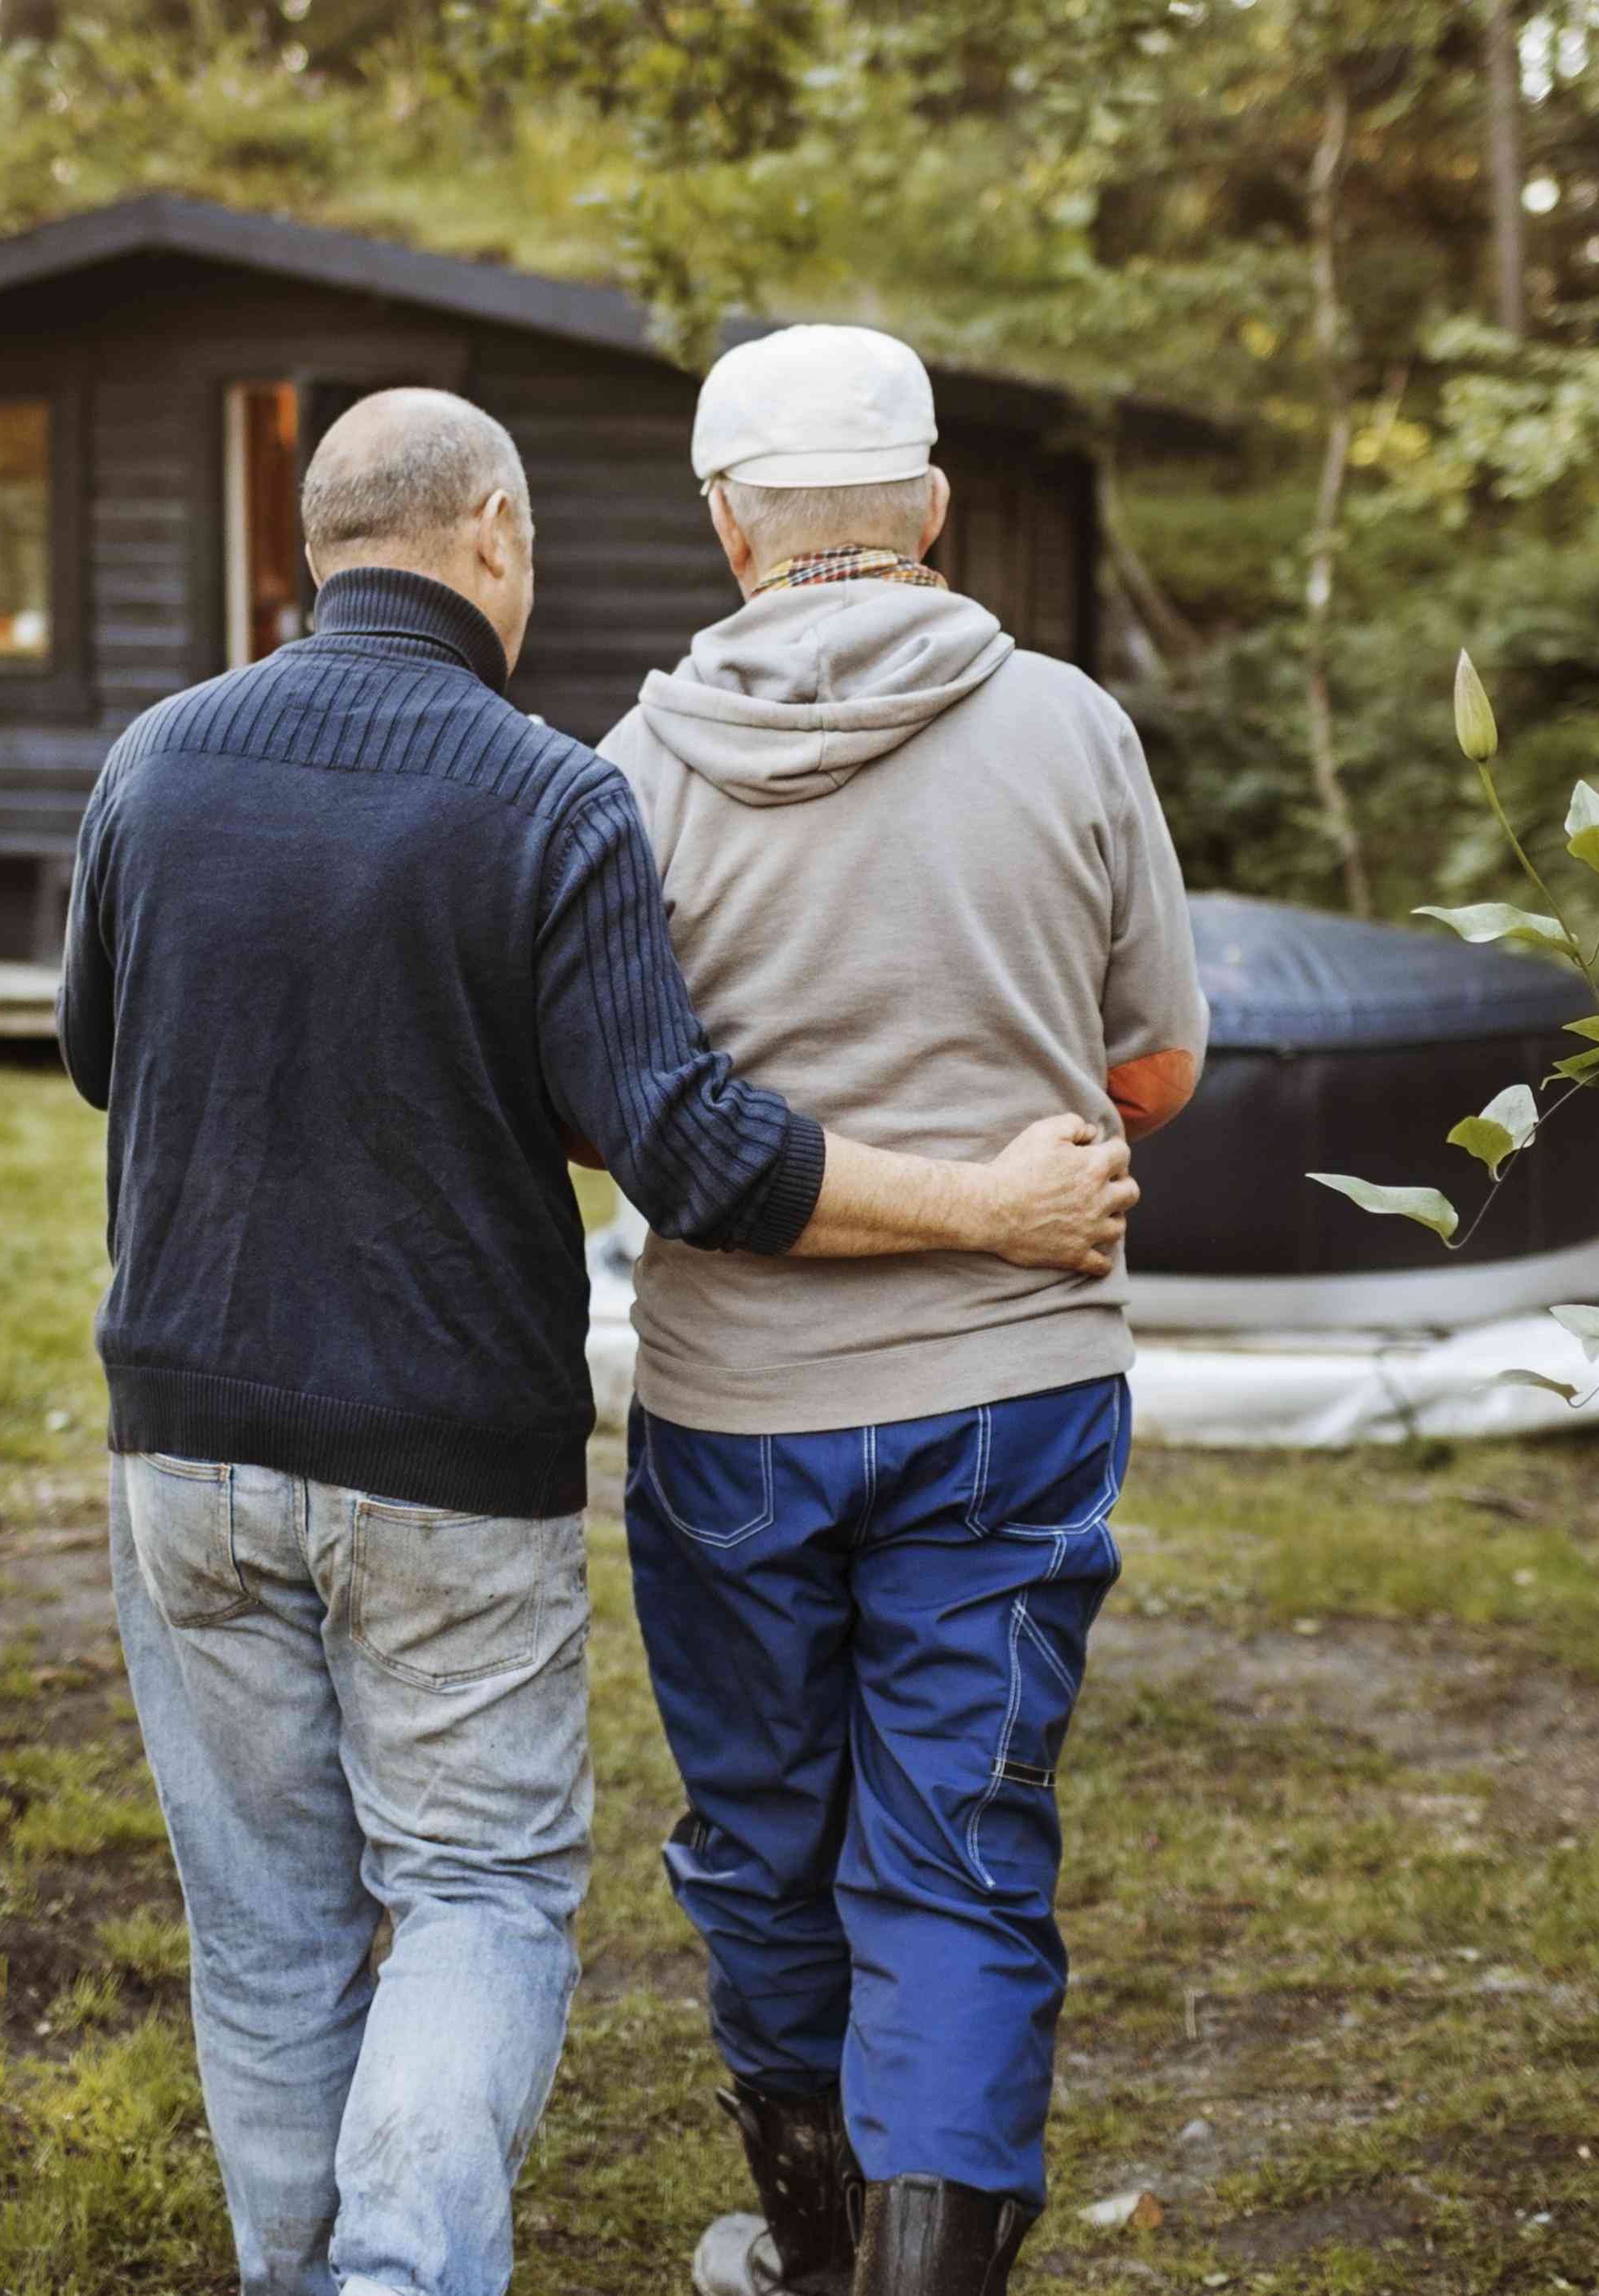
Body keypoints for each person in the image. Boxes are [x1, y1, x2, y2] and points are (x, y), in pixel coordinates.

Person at [53, 386, 1139, 2296]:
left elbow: (93, 1051)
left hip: (183, 1437)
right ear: (490, 536)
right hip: (441, 1459)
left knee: (269, 1933)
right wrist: (987, 1205)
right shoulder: (546, 793)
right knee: (472, 1893)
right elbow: (689, 1148)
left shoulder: (154, 761)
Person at [594, 327, 1210, 2296]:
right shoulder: (1070, 730)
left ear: (724, 525)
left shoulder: (622, 783)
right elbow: (1158, 1070)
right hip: (1011, 1389)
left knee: (764, 1831)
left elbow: (626, 1125)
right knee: (957, 1843)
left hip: (731, 1406)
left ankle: (808, 2245)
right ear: (932, 505)